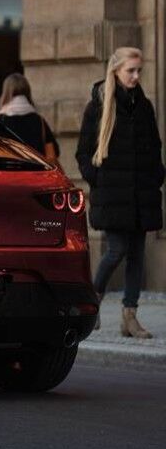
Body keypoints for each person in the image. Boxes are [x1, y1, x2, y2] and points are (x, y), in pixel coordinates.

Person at [76, 47, 165, 338]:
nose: (136, 76)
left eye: (139, 71)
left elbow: (154, 146)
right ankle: (93, 302)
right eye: (131, 70)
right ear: (116, 70)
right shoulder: (99, 106)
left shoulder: (144, 106)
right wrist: (98, 180)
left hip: (141, 194)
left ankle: (130, 317)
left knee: (137, 255)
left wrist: (156, 175)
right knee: (117, 250)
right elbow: (83, 153)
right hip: (113, 195)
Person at [0, 73, 61, 166]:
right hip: (36, 176)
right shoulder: (39, 121)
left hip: (8, 176)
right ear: (27, 92)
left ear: (5, 92)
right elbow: (52, 154)